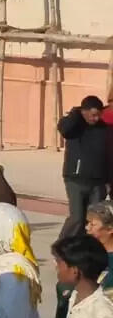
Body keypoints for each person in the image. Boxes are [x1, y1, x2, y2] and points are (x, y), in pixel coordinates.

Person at [57, 96, 110, 238]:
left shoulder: (103, 129)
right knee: (77, 218)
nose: (96, 118)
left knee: (94, 220)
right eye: (93, 115)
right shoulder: (73, 126)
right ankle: (61, 248)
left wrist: (108, 181)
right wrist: (76, 113)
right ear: (84, 112)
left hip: (98, 183)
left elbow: (107, 155)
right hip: (76, 180)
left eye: (99, 115)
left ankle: (87, 251)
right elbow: (63, 129)